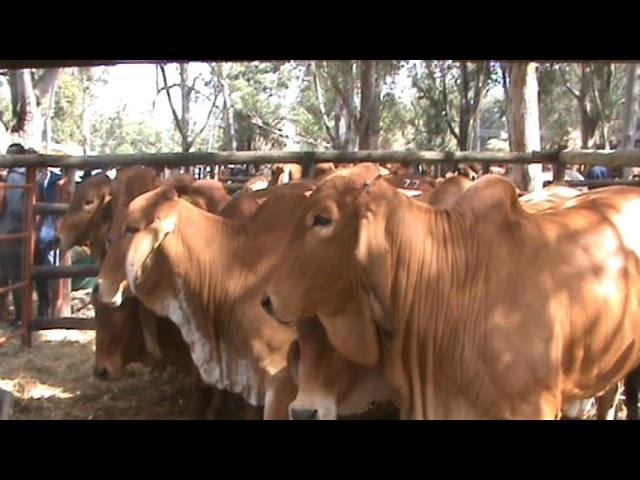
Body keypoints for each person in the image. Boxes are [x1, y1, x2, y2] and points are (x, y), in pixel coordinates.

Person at [0, 143, 27, 329]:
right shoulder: (25, 176)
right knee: (14, 277)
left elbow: (16, 208)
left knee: (11, 276)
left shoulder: (15, 178)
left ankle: (19, 316)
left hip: (10, 232)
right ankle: (17, 315)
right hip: (16, 232)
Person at [32, 148, 62, 317]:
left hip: (49, 228)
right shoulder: (30, 180)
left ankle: (50, 304)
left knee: (50, 267)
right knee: (37, 268)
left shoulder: (58, 180)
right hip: (34, 229)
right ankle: (43, 304)